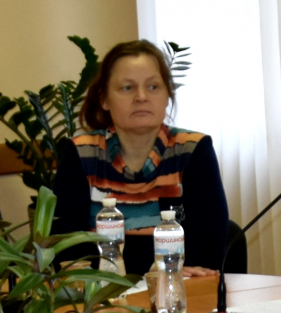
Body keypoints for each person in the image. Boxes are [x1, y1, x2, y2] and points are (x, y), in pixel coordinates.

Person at [50, 39, 228, 275]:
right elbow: (65, 248)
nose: (141, 97)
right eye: (128, 88)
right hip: (103, 293)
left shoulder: (193, 151)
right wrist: (161, 262)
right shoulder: (82, 154)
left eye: (153, 87)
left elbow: (209, 248)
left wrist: (117, 259)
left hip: (177, 291)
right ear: (104, 99)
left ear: (167, 95)